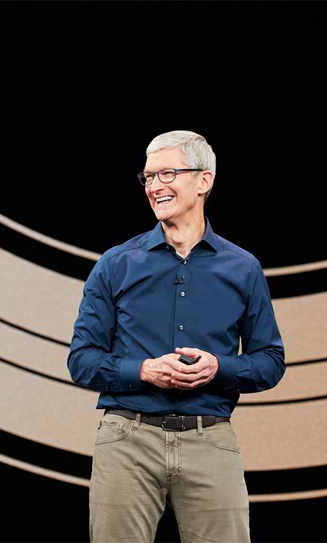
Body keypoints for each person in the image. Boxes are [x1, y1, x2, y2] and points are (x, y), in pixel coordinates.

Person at [68, 130, 285, 542]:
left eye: (167, 173)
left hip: (211, 438)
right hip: (127, 440)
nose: (154, 187)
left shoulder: (243, 268)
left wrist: (219, 368)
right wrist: (145, 371)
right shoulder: (116, 264)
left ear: (205, 181)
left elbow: (270, 361)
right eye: (148, 177)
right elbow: (82, 359)